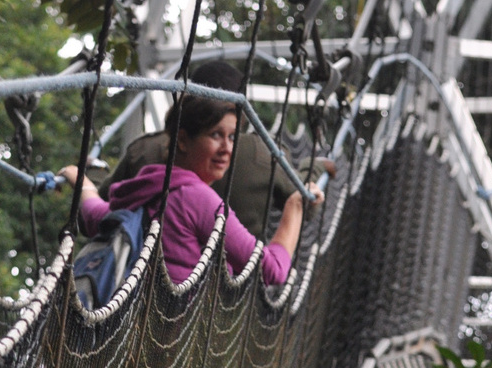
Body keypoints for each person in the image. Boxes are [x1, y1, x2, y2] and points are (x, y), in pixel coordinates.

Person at [62, 94, 323, 286]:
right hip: (175, 345)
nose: (227, 148)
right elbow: (273, 270)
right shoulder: (200, 200)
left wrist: (80, 181)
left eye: (232, 137)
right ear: (184, 141)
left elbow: (97, 215)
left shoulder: (145, 186)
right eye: (215, 135)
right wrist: (295, 206)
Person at [96, 60, 333, 239]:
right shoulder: (262, 153)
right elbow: (303, 203)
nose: (225, 148)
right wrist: (314, 168)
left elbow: (100, 206)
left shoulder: (145, 150)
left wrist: (92, 171)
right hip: (232, 295)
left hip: (144, 291)